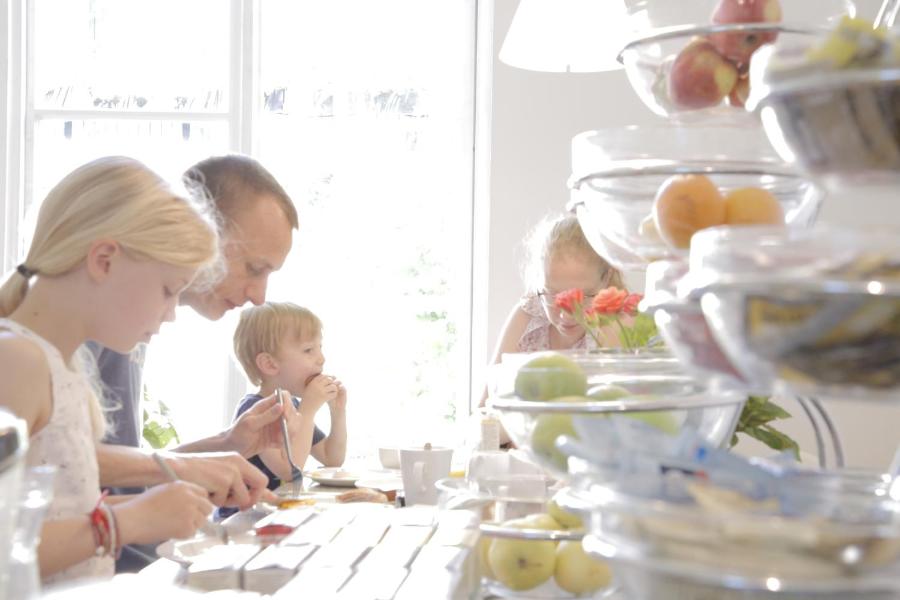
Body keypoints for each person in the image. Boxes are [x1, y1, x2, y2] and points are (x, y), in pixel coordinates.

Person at [0, 157, 221, 583]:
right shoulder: (16, 361)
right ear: (104, 260)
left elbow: (45, 517)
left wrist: (153, 510)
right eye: (168, 290)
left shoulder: (62, 365)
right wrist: (125, 522)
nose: (171, 314)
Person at [89, 154, 299, 570]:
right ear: (199, 228)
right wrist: (192, 466)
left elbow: (109, 467)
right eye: (254, 268)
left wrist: (223, 446)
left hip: (138, 558)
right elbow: (57, 465)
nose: (259, 296)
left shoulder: (136, 316)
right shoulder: (97, 313)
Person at [481, 214, 626, 408]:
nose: (566, 314)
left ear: (607, 278)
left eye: (583, 297)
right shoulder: (528, 314)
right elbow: (486, 404)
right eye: (553, 295)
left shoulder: (615, 327)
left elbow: (609, 416)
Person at [231, 302, 347, 492]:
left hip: (277, 504)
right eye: (308, 350)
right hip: (246, 509)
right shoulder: (255, 411)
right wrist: (308, 409)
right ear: (269, 364)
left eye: (320, 347)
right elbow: (289, 471)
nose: (321, 358)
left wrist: (338, 412)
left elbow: (331, 458)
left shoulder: (293, 406)